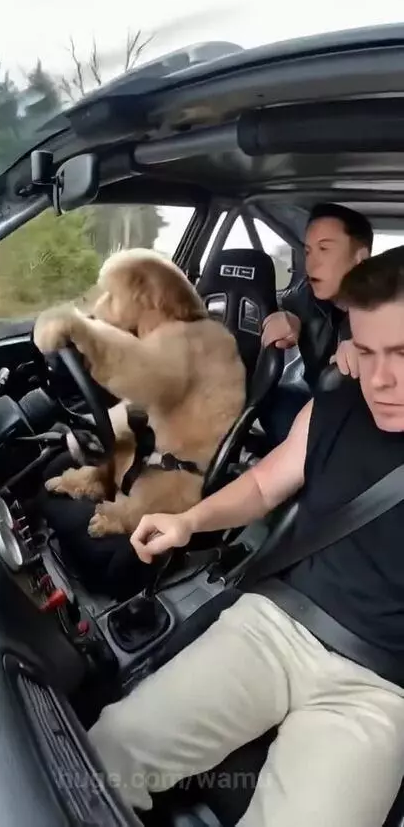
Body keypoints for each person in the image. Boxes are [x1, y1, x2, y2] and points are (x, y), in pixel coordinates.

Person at [88, 247, 404, 827]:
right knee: (111, 750)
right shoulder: (336, 408)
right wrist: (189, 520)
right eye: (367, 349)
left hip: (381, 686)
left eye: (403, 353)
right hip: (274, 627)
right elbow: (261, 486)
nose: (382, 378)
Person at [259, 202, 373, 443]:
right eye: (309, 251)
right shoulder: (304, 296)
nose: (312, 263)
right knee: (274, 402)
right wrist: (289, 318)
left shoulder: (386, 308)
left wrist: (369, 351)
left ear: (359, 258)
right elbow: (294, 305)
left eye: (325, 249)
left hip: (370, 420)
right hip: (319, 402)